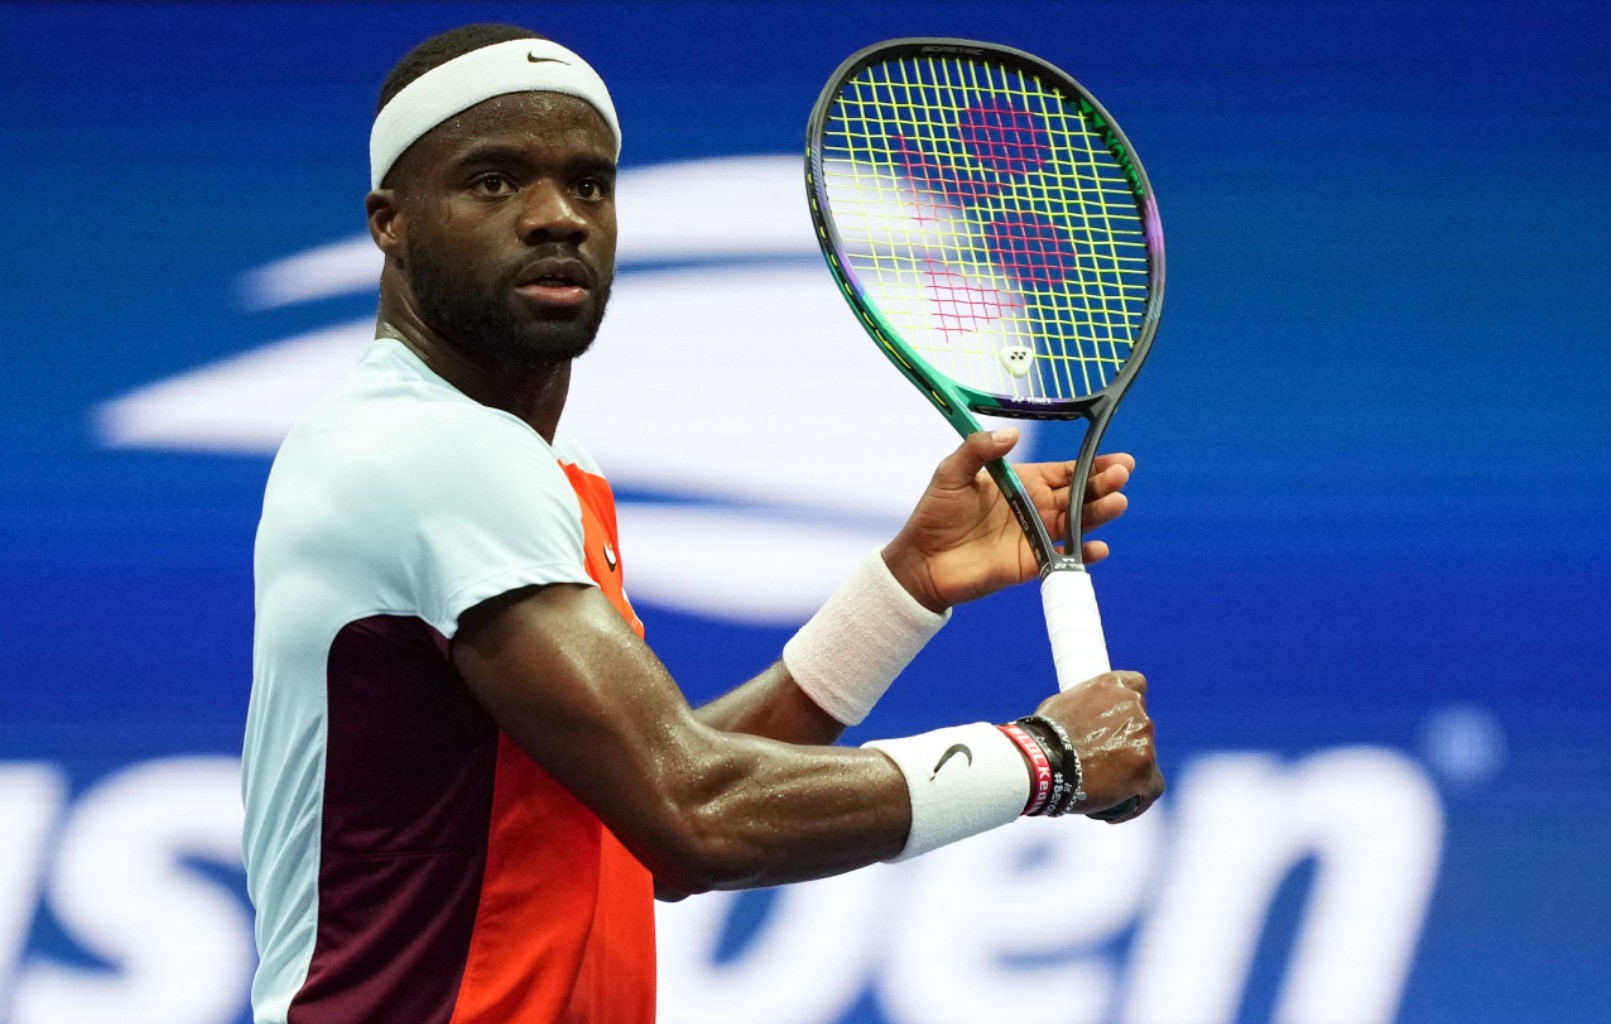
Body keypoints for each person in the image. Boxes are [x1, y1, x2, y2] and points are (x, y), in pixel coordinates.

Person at [241, 23, 1164, 1024]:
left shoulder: (528, 469)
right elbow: (694, 812)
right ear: (391, 221)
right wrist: (1040, 760)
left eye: (588, 185)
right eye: (494, 181)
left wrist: (900, 592)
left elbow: (637, 820)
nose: (556, 217)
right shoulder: (427, 453)